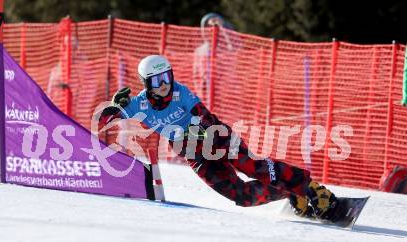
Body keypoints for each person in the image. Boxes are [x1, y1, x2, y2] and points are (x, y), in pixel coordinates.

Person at [99, 54, 339, 221]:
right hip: (196, 155)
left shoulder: (179, 92)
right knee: (242, 197)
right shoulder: (139, 104)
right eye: (157, 81)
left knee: (252, 166)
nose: (164, 85)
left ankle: (310, 188)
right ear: (146, 83)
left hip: (217, 138)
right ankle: (289, 192)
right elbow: (103, 122)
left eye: (167, 77)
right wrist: (114, 108)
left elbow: (203, 115)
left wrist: (198, 126)